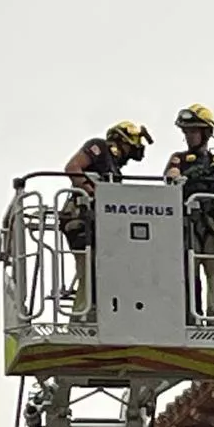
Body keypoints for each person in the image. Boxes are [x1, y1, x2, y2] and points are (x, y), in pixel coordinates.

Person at [59, 121, 152, 315]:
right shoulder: (99, 147)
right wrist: (91, 192)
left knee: (102, 269)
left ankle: (99, 313)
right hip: (80, 217)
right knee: (88, 269)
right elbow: (73, 167)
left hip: (100, 223)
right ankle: (82, 318)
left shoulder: (115, 172)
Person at [165, 104, 214, 326]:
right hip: (186, 224)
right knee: (187, 272)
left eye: (193, 131)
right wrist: (186, 176)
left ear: (206, 133)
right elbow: (171, 176)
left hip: (211, 224)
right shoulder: (178, 159)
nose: (189, 136)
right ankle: (189, 318)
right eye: (186, 132)